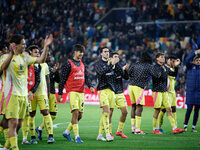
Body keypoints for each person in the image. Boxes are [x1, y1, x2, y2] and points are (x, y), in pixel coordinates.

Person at [0, 34, 53, 150]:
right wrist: (11, 53)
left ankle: (6, 147)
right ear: (15, 45)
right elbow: (3, 68)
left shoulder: (25, 57)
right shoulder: (4, 57)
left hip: (23, 95)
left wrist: (46, 47)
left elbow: (41, 60)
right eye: (23, 44)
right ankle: (15, 148)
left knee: (17, 124)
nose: (25, 46)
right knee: (12, 122)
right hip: (11, 94)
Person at [57, 44, 95, 143]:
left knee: (80, 116)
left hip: (81, 92)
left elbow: (86, 76)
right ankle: (77, 136)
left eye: (82, 52)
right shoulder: (68, 64)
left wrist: (90, 86)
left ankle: (66, 132)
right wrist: (60, 93)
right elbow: (63, 79)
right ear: (74, 52)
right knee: (75, 113)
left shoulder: (83, 64)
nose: (81, 54)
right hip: (72, 92)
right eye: (79, 51)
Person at [27, 45, 55, 144]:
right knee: (31, 114)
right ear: (30, 53)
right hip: (30, 94)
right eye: (35, 52)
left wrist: (48, 92)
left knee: (46, 112)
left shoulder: (44, 64)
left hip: (42, 93)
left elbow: (47, 79)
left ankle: (50, 136)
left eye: (38, 52)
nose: (38, 53)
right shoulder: (28, 64)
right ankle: (33, 137)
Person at [129, 52, 161, 134]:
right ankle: (137, 129)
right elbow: (157, 75)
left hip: (131, 86)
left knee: (133, 107)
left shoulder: (135, 64)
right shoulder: (149, 66)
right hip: (139, 87)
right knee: (140, 107)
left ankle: (133, 128)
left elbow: (128, 74)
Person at [152, 52, 184, 134]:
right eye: (161, 57)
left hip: (164, 91)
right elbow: (158, 76)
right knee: (157, 110)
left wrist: (176, 66)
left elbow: (173, 75)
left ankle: (174, 128)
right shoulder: (155, 67)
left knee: (169, 109)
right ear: (157, 59)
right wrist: (164, 70)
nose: (163, 58)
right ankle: (155, 129)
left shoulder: (165, 68)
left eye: (163, 57)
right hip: (157, 91)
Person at [95, 47, 117, 142]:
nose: (107, 53)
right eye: (105, 51)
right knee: (106, 111)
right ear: (101, 53)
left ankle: (100, 134)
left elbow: (120, 73)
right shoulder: (98, 64)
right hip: (102, 90)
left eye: (108, 51)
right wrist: (111, 64)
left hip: (111, 90)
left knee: (108, 113)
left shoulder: (112, 63)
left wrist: (117, 63)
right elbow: (101, 73)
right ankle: (108, 134)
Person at [36, 53, 60, 140]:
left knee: (53, 115)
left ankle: (39, 128)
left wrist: (56, 72)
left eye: (50, 55)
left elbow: (58, 80)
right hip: (44, 93)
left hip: (52, 93)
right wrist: (52, 73)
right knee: (47, 114)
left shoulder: (50, 67)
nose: (50, 57)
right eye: (48, 55)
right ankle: (49, 135)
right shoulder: (39, 66)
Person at [21, 47, 41, 144]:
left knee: (26, 116)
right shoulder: (21, 65)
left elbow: (37, 80)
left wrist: (32, 91)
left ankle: (24, 139)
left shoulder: (35, 67)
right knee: (10, 118)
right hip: (18, 94)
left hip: (28, 95)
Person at [157, 55, 180, 133]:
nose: (173, 62)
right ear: (168, 61)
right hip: (166, 92)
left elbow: (175, 75)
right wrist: (176, 66)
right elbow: (172, 75)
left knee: (174, 109)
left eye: (174, 61)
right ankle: (159, 127)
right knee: (163, 110)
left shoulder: (173, 68)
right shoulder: (165, 68)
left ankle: (176, 127)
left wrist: (176, 67)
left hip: (172, 92)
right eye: (171, 60)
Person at [110, 52, 129, 138]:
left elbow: (126, 77)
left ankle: (119, 131)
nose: (117, 58)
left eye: (118, 57)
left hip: (119, 92)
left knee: (125, 112)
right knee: (110, 113)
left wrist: (125, 70)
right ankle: (109, 132)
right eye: (115, 57)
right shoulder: (108, 67)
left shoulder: (119, 67)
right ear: (111, 58)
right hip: (111, 92)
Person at [184, 50, 200, 132]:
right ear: (193, 61)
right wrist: (195, 53)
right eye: (197, 60)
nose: (198, 61)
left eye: (199, 60)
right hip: (190, 92)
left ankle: (193, 127)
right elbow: (186, 60)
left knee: (197, 110)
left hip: (199, 93)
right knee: (189, 109)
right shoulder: (190, 66)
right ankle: (185, 126)